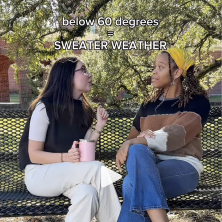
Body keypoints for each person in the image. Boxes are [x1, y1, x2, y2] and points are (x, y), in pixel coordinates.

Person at [19, 57, 121, 222]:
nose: (90, 75)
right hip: (39, 174)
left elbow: (87, 154)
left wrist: (99, 127)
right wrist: (65, 157)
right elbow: (34, 154)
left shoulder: (85, 111)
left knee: (88, 194)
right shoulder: (44, 107)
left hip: (69, 174)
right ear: (67, 76)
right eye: (83, 70)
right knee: (97, 169)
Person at [116, 47, 211, 222]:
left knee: (132, 185)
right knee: (137, 153)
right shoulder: (148, 105)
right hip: (147, 165)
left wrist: (143, 139)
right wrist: (137, 142)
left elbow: (177, 134)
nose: (154, 72)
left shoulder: (197, 102)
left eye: (161, 67)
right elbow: (131, 142)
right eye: (154, 67)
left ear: (177, 73)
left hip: (184, 167)